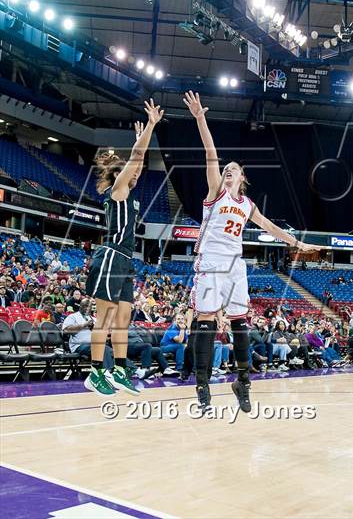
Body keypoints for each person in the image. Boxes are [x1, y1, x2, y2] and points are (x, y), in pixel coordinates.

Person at [183, 91, 321, 412]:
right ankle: (202, 383)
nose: (229, 170)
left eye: (234, 169)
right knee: (205, 318)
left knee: (240, 321)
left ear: (243, 178)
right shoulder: (216, 192)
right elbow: (210, 154)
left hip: (234, 265)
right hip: (211, 261)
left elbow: (271, 228)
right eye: (227, 169)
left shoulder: (247, 205)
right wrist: (200, 118)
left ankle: (242, 382)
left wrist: (298, 244)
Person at [84, 99, 164, 396]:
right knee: (104, 319)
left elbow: (138, 159)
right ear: (121, 173)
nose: (138, 172)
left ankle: (118, 369)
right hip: (111, 257)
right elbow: (138, 155)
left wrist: (139, 143)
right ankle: (95, 373)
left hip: (126, 262)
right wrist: (151, 126)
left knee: (124, 318)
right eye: (133, 170)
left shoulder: (129, 192)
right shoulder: (118, 190)